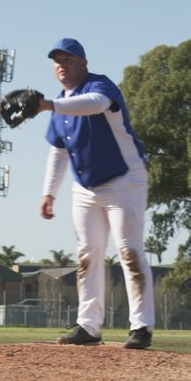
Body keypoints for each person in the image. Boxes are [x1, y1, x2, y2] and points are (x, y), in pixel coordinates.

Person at [37, 38, 155, 349]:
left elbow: (96, 105)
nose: (61, 64)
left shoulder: (100, 86)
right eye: (56, 60)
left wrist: (49, 104)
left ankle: (141, 326)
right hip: (86, 188)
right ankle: (88, 326)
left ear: (84, 63)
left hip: (124, 180)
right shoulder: (60, 105)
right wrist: (49, 192)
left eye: (68, 58)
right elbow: (59, 151)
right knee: (88, 253)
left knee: (129, 251)